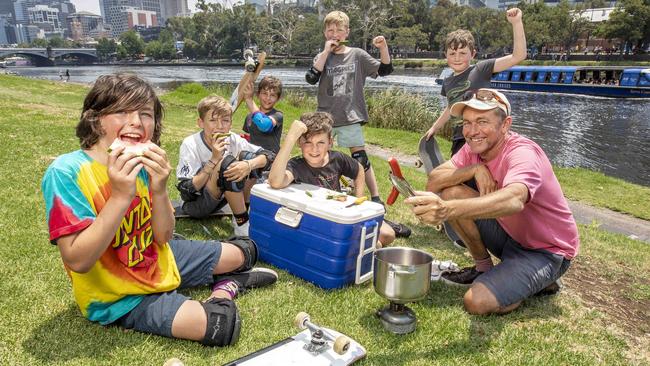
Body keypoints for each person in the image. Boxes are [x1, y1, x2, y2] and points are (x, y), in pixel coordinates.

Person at [41, 73, 278, 346]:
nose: (135, 122)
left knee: (246, 251)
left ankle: (225, 271)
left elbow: (163, 237)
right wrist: (120, 196)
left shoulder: (141, 161)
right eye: (121, 111)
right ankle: (226, 286)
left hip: (157, 257)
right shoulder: (67, 171)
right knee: (220, 326)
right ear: (95, 119)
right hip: (119, 296)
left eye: (145, 114)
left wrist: (159, 188)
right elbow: (77, 260)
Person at [405, 89, 579, 315]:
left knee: (476, 303)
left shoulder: (523, 153)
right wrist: (474, 169)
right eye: (467, 123)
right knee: (451, 192)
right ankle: (484, 269)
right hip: (510, 236)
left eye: (482, 121)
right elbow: (434, 181)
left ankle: (536, 281)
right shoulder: (474, 148)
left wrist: (446, 210)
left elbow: (515, 199)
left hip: (546, 250)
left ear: (505, 125)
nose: (472, 131)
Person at [269, 112, 411, 247]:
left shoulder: (337, 158)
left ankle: (381, 232)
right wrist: (290, 139)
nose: (314, 149)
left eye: (320, 143)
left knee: (388, 234)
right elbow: (275, 181)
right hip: (320, 220)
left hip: (342, 213)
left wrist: (359, 199)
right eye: (308, 142)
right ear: (299, 142)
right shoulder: (296, 165)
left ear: (330, 142)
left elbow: (359, 170)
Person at [305, 10, 393, 206]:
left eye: (339, 29)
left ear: (347, 32)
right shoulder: (322, 56)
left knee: (360, 158)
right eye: (330, 30)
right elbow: (311, 78)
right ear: (324, 33)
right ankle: (324, 189)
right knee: (319, 154)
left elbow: (385, 70)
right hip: (325, 117)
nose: (334, 33)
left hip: (350, 115)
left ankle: (376, 197)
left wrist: (383, 48)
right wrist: (326, 51)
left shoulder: (357, 55)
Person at [425, 8, 527, 157]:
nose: (457, 58)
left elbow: (518, 56)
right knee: (460, 178)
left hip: (483, 137)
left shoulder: (481, 69)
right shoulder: (447, 81)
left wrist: (516, 22)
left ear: (472, 54)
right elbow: (450, 108)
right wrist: (434, 128)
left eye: (462, 53)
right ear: (445, 55)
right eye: (452, 53)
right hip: (460, 139)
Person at [176, 95, 275, 236]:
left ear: (230, 123)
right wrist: (214, 160)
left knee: (251, 159)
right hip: (196, 204)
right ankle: (242, 225)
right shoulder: (190, 144)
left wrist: (248, 165)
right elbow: (187, 191)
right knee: (226, 163)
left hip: (221, 201)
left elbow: (269, 156)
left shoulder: (233, 139)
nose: (220, 126)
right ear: (201, 122)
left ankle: (242, 215)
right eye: (212, 120)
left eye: (225, 120)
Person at [241, 75, 284, 154]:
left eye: (272, 95)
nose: (268, 98)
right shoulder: (249, 117)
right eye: (264, 93)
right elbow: (248, 137)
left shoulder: (278, 115)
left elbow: (264, 125)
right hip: (253, 157)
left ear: (278, 98)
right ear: (258, 94)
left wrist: (249, 99)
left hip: (270, 160)